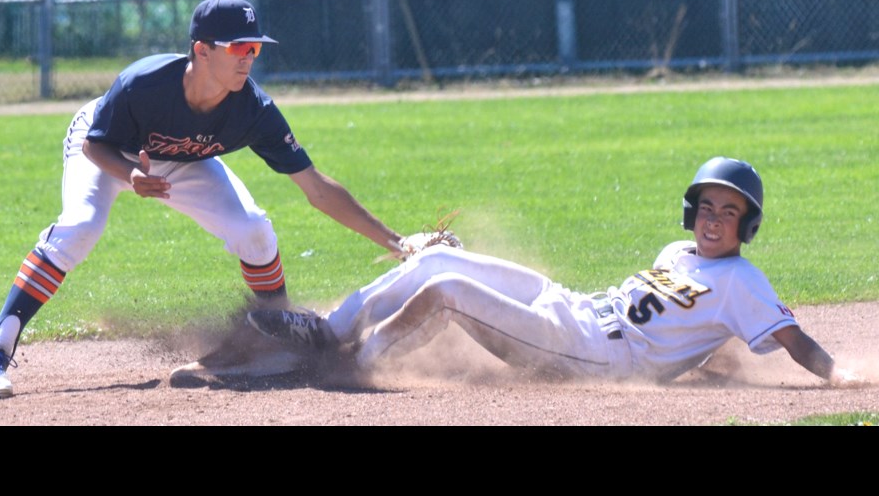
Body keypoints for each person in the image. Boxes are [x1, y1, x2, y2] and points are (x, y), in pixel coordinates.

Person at [0, 0, 408, 398]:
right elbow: (94, 146)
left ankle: (274, 337)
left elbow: (315, 187)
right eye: (239, 48)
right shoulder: (144, 84)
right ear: (202, 49)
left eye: (254, 49)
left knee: (253, 230)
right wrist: (130, 175)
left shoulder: (252, 109)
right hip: (110, 146)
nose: (249, 59)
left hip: (184, 158)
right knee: (80, 227)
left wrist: (397, 242)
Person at [247, 157, 863, 387]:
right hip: (573, 306)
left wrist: (837, 374)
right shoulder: (679, 255)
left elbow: (791, 338)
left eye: (729, 213)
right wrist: (706, 363)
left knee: (447, 292)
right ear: (691, 212)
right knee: (435, 256)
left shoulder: (747, 283)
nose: (714, 219)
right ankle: (329, 330)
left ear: (746, 226)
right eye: (707, 207)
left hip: (598, 352)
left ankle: (354, 364)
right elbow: (691, 327)